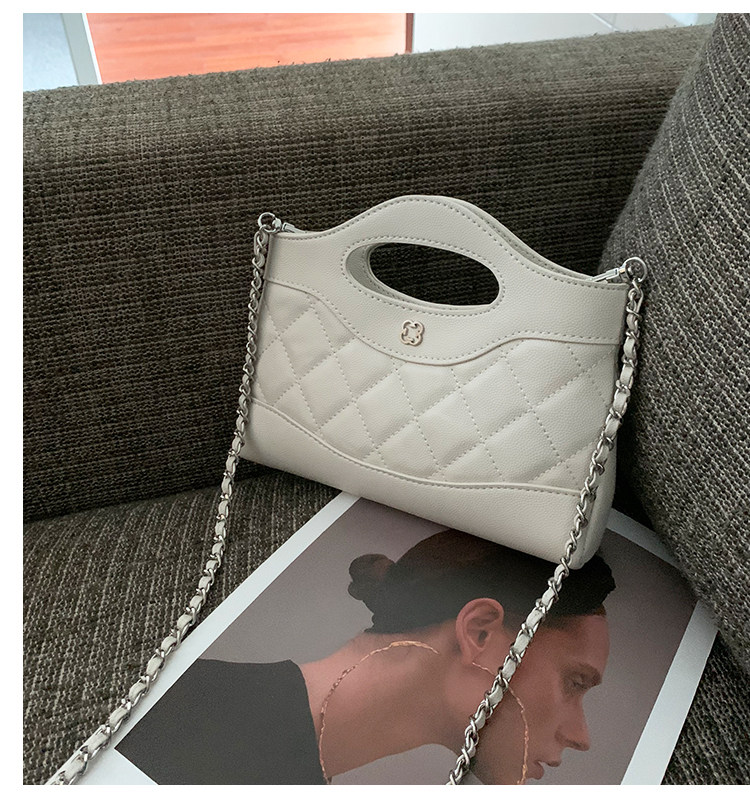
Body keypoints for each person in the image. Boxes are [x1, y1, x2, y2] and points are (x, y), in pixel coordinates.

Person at [117, 529, 614, 784]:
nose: (582, 736)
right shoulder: (172, 714)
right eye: (574, 682)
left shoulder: (226, 723)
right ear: (480, 633)